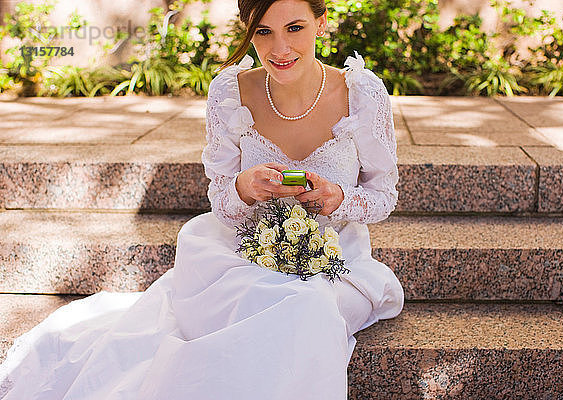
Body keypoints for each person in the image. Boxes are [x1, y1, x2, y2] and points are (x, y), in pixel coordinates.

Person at [0, 0, 404, 398]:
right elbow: (222, 201)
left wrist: (339, 198)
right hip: (242, 253)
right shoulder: (230, 91)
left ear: (321, 22)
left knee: (308, 306)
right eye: (263, 32)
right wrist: (244, 189)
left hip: (336, 261)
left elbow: (383, 196)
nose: (279, 49)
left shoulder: (362, 94)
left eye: (294, 28)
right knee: (267, 303)